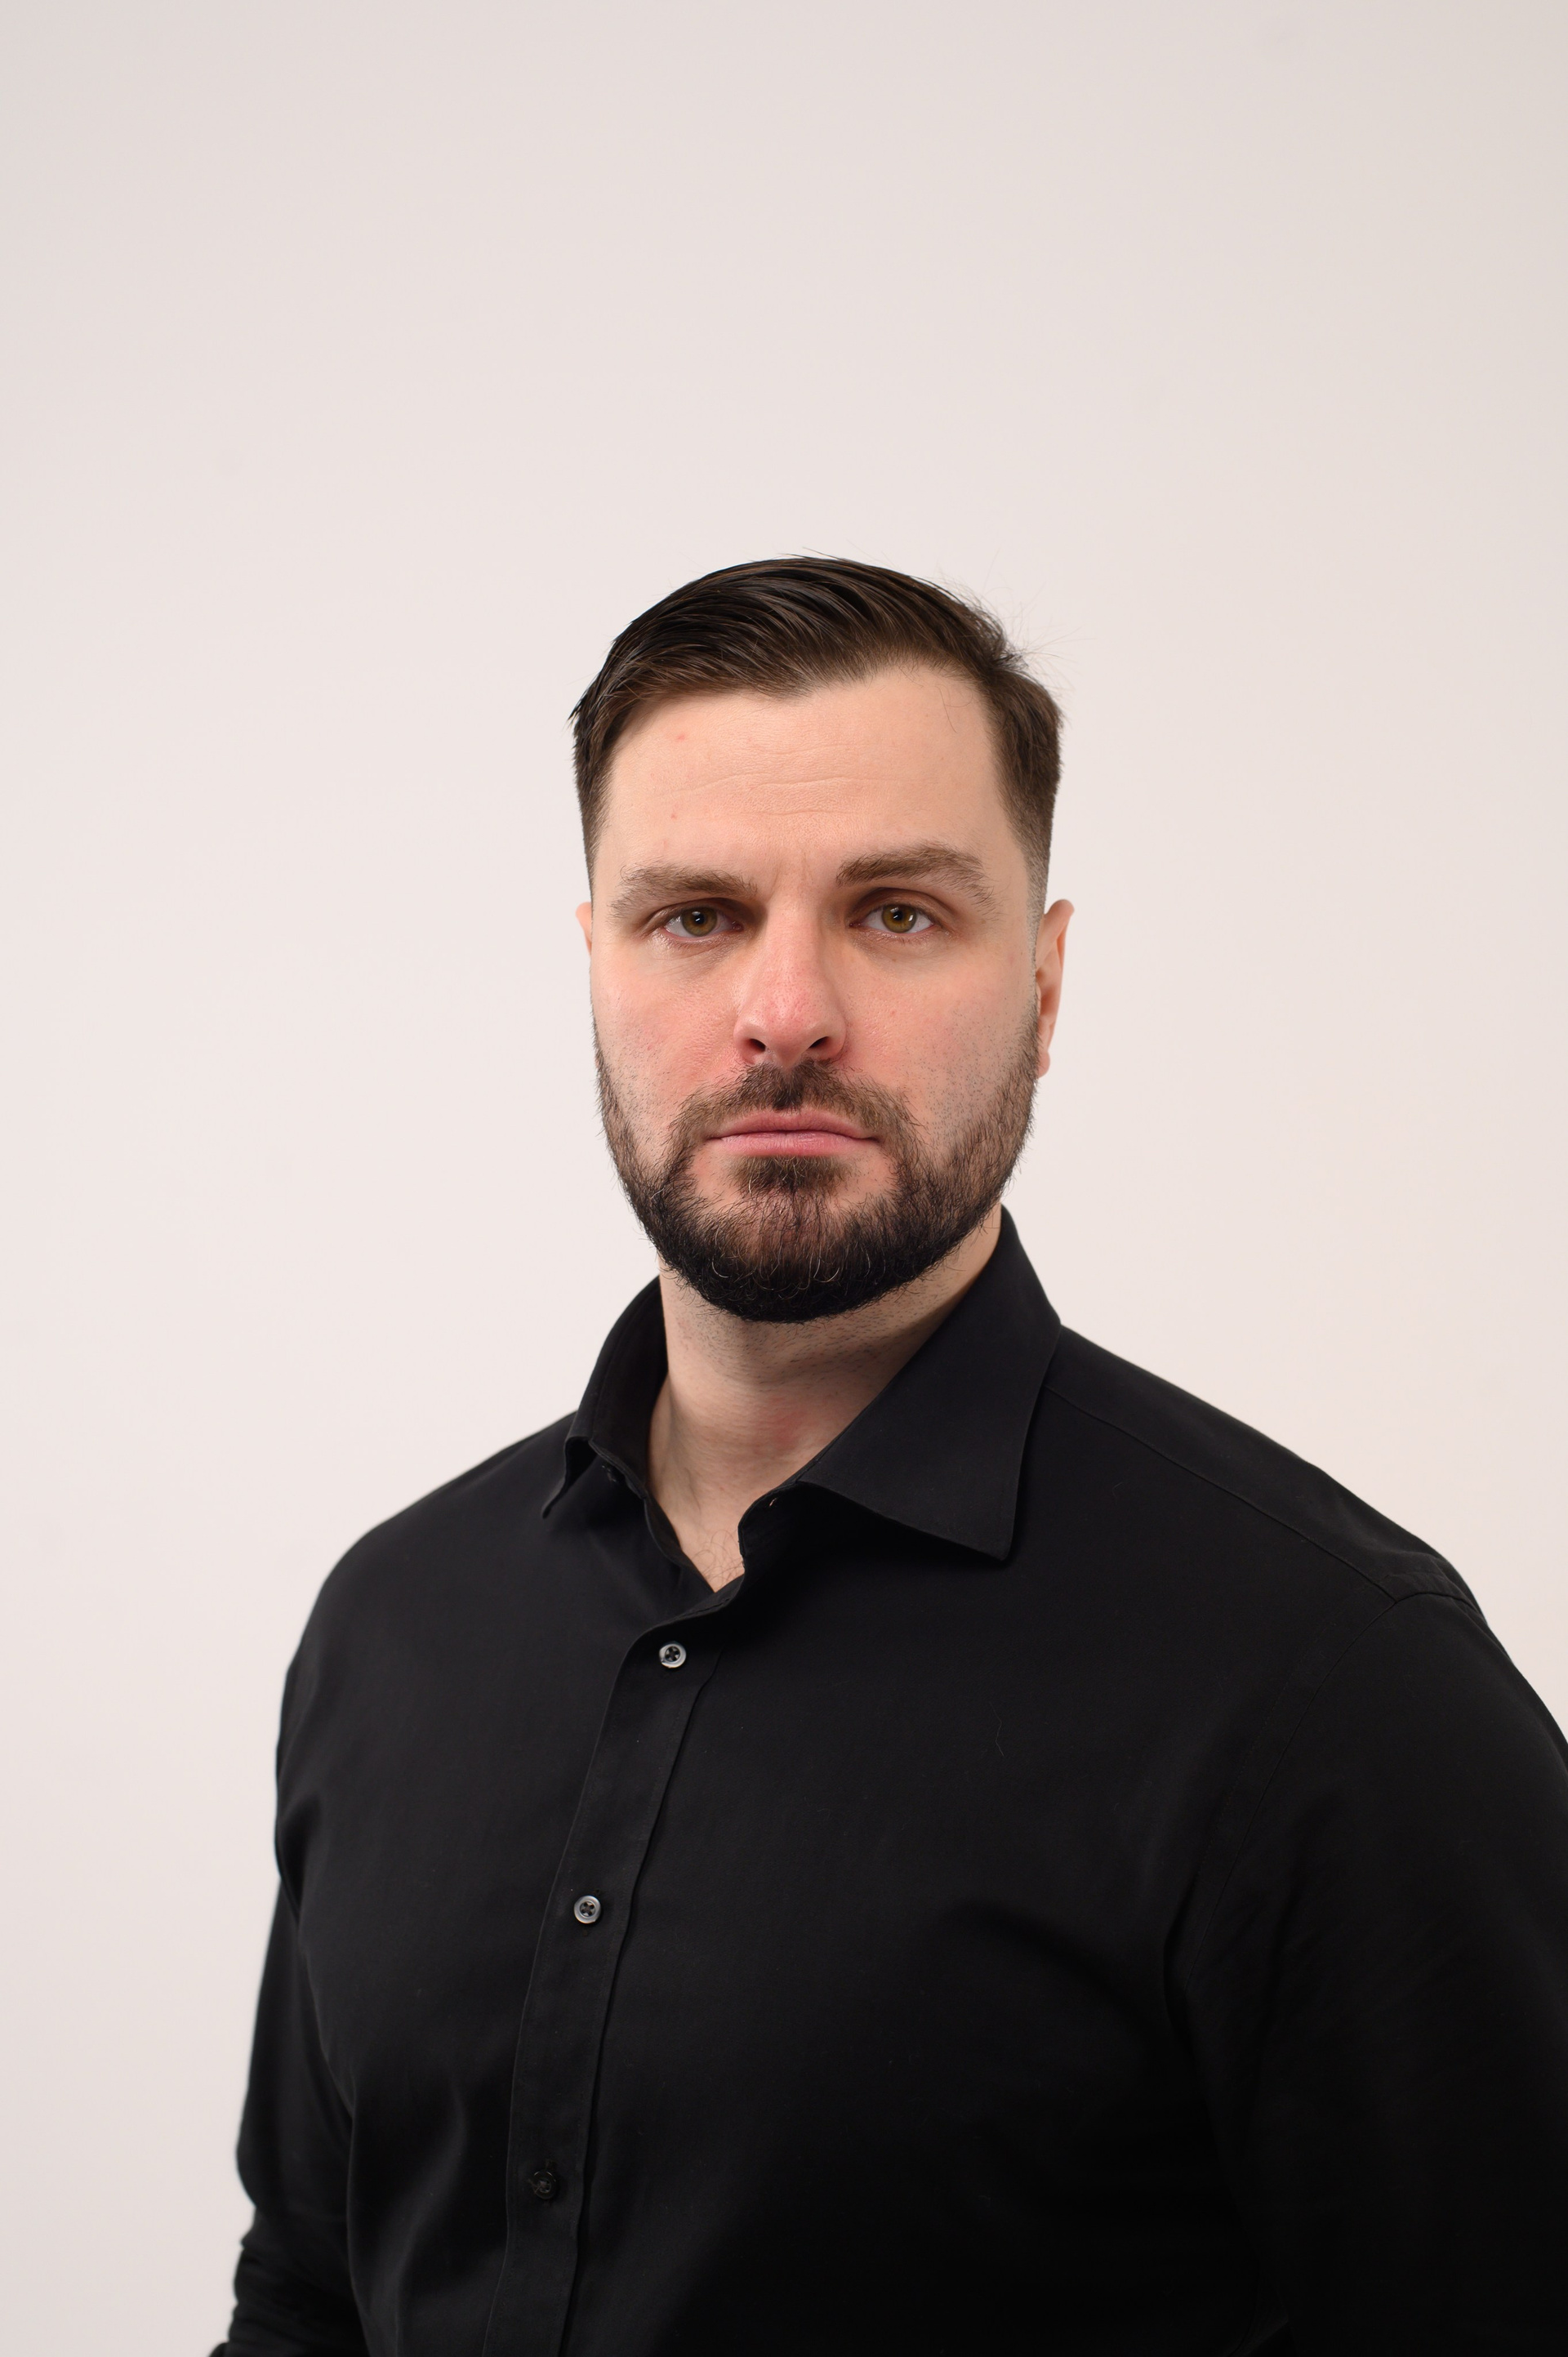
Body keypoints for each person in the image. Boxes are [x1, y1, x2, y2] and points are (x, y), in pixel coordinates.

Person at [216, 559, 1568, 2357]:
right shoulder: (397, 1624)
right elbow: (310, 2298)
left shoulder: (1337, 1687)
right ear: (596, 965)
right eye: (696, 916)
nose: (786, 1010)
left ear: (1047, 982)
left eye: (900, 913)